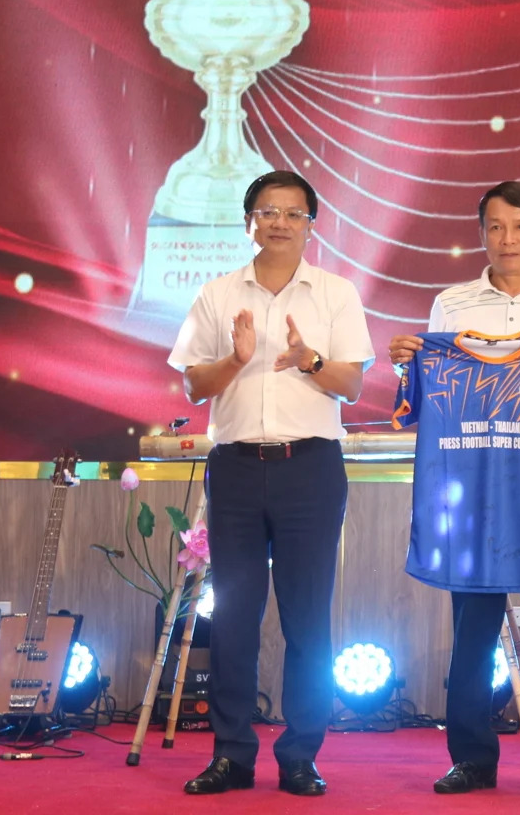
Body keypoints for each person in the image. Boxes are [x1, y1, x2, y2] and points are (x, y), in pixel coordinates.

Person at [388, 181, 520, 796]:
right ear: (481, 233)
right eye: (496, 226)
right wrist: (409, 360)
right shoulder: (451, 304)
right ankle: (472, 758)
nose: (508, 238)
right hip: (472, 484)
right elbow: (432, 386)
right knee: (473, 627)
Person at [168, 170, 375, 798]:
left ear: (311, 225)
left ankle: (300, 755)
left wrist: (309, 360)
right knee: (233, 616)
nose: (279, 222)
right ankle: (231, 755)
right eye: (267, 211)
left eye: (292, 213)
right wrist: (236, 360)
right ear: (249, 222)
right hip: (235, 468)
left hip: (310, 469)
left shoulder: (336, 294)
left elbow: (351, 385)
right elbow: (193, 386)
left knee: (307, 618)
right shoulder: (216, 294)